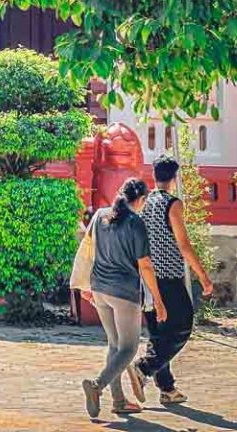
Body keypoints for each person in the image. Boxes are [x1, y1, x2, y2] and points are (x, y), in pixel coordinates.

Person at [130, 153, 213, 407]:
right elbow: (184, 245)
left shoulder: (146, 202)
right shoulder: (172, 203)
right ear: (174, 178)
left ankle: (167, 389)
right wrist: (204, 277)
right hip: (169, 277)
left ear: (155, 177)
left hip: (148, 277)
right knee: (183, 325)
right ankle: (144, 367)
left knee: (159, 334)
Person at [81, 178, 168, 419]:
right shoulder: (135, 222)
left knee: (115, 345)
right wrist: (159, 302)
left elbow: (87, 250)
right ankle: (97, 386)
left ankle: (119, 401)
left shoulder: (100, 215)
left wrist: (84, 284)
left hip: (99, 288)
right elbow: (146, 266)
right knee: (128, 349)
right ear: (141, 200)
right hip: (123, 293)